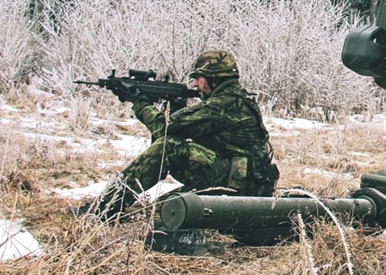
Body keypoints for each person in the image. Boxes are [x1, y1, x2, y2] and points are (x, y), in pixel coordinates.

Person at [79, 50, 279, 219]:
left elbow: (166, 130)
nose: (195, 85)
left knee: (171, 146)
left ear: (214, 78)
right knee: (162, 209)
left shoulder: (224, 105)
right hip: (243, 181)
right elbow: (188, 128)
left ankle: (104, 208)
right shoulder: (234, 99)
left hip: (239, 186)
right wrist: (176, 106)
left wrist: (140, 103)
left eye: (198, 79)